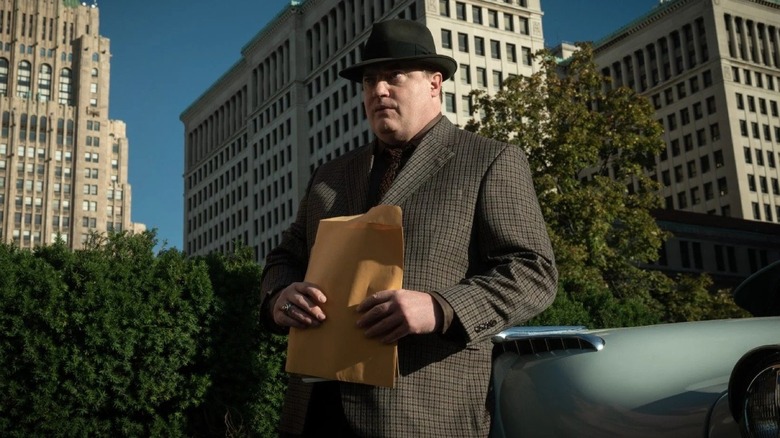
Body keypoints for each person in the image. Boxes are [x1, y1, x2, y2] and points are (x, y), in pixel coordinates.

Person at [260, 18, 558, 437]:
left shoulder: (489, 160)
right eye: (369, 81)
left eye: (393, 77)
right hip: (314, 411)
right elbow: (285, 257)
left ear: (435, 83)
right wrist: (279, 295)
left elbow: (533, 271)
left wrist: (441, 308)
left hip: (420, 413)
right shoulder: (328, 176)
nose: (378, 91)